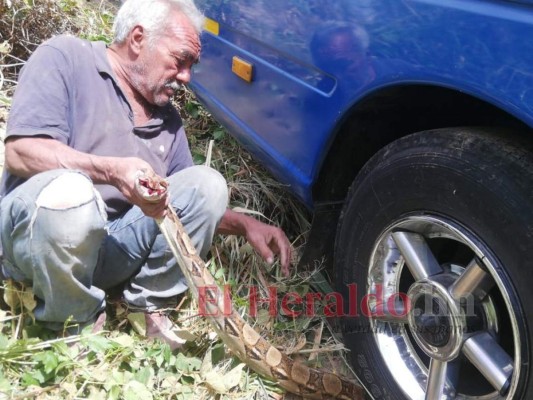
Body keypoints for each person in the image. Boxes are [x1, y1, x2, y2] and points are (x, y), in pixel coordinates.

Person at [0, 0, 291, 349]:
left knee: (208, 184)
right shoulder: (66, 58)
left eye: (190, 66)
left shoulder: (167, 121)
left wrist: (245, 225)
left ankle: (147, 306)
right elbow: (20, 151)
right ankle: (71, 322)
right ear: (138, 39)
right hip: (36, 246)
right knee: (71, 192)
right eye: (180, 60)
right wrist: (109, 170)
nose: (186, 76)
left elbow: (184, 205)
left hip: (110, 248)